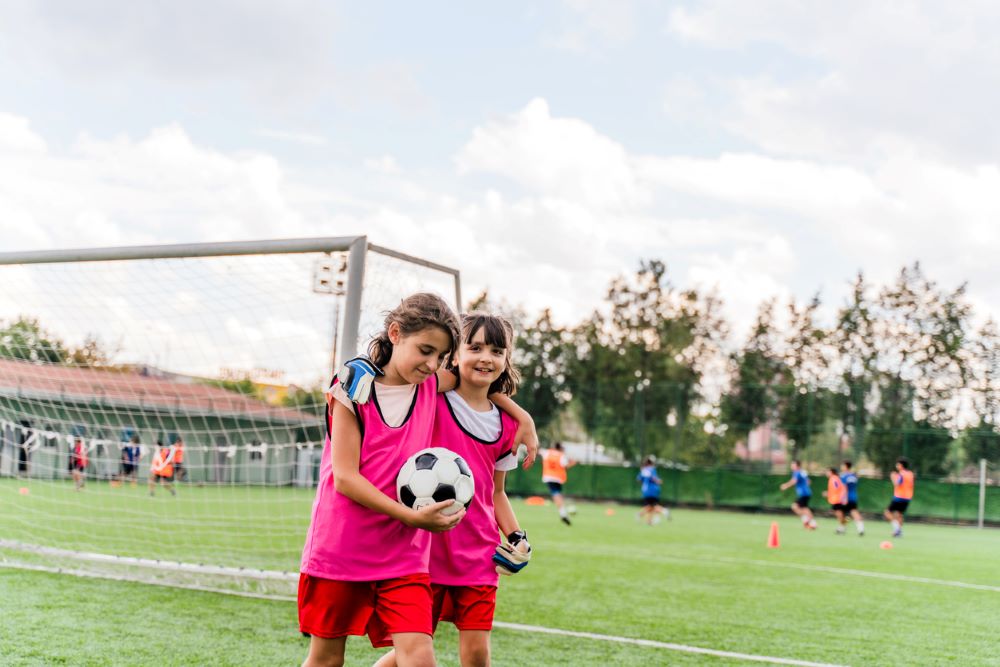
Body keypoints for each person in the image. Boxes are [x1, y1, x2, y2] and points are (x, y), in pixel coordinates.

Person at [372, 311, 531, 667]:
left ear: (506, 361)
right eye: (474, 347)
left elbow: (496, 493)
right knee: (408, 654)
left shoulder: (507, 425)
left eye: (496, 350)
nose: (486, 358)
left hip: (478, 556)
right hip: (424, 554)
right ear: (455, 354)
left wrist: (516, 534)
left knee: (477, 654)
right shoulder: (431, 399)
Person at [542, 442, 577, 525]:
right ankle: (563, 513)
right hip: (557, 478)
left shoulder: (547, 452)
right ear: (560, 448)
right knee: (556, 494)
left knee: (557, 494)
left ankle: (563, 512)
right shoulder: (561, 455)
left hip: (548, 477)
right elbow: (565, 465)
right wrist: (572, 463)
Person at [779, 460, 817, 530]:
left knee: (797, 507)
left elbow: (794, 481)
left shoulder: (797, 472)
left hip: (803, 493)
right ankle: (810, 522)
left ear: (797, 466)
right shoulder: (802, 472)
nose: (791, 466)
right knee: (802, 507)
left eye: (793, 465)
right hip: (806, 492)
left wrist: (785, 486)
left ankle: (809, 521)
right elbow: (809, 481)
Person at [883, 457, 914, 538]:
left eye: (897, 464)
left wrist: (893, 477)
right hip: (907, 498)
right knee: (900, 515)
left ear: (901, 465)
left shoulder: (901, 474)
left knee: (887, 513)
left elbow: (897, 483)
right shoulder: (910, 474)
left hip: (899, 497)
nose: (896, 466)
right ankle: (899, 533)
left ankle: (897, 529)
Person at [637, 456, 668, 525]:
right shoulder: (652, 469)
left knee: (650, 506)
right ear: (651, 463)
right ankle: (663, 511)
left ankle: (647, 519)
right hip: (653, 490)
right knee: (652, 506)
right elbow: (654, 478)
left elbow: (639, 479)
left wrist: (644, 483)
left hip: (646, 490)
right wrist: (659, 481)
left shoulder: (643, 470)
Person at [839, 460, 865, 536]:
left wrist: (844, 498)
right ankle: (861, 528)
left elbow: (845, 488)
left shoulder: (844, 476)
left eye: (843, 465)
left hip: (847, 497)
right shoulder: (854, 476)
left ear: (846, 466)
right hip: (854, 497)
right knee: (854, 513)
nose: (842, 467)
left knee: (844, 515)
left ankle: (842, 529)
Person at [823, 467, 847, 534]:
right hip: (836, 499)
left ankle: (842, 527)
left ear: (831, 472)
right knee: (839, 514)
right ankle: (842, 527)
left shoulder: (833, 478)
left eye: (828, 471)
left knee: (839, 514)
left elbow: (837, 487)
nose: (826, 473)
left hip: (837, 499)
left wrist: (828, 493)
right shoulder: (834, 478)